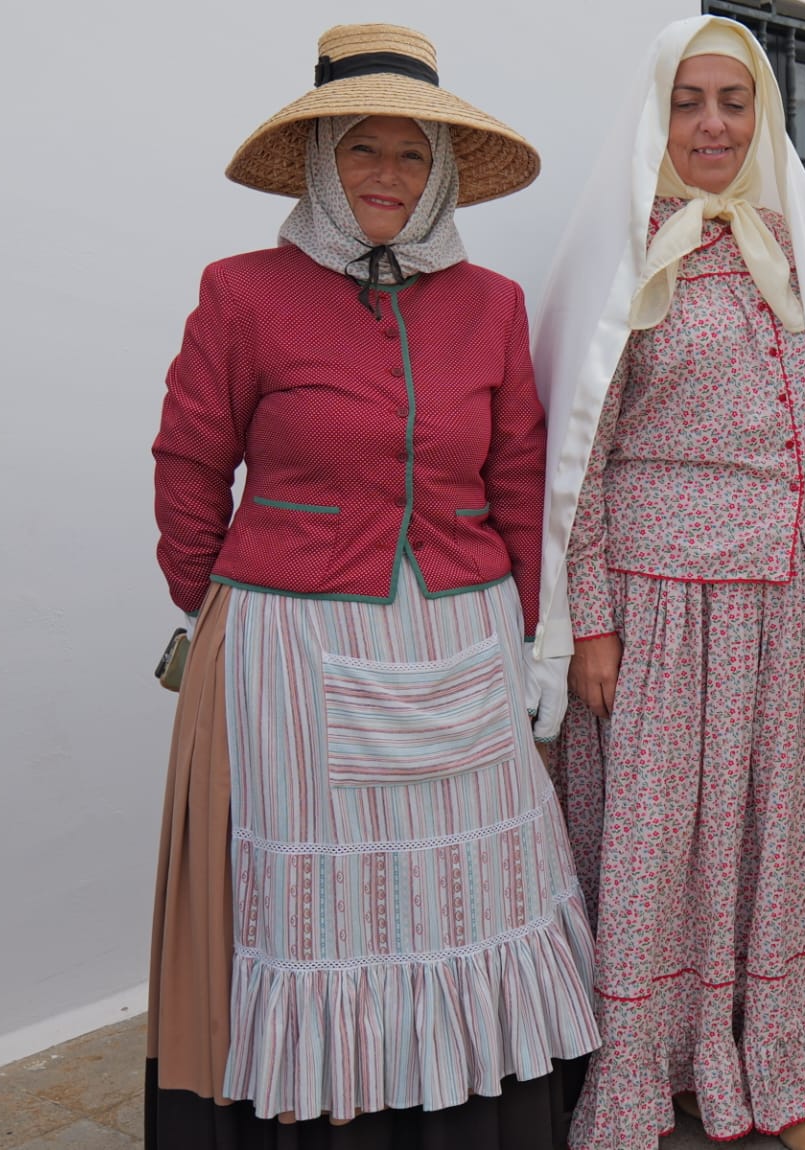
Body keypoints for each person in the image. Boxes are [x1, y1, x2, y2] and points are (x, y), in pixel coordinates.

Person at [146, 24, 598, 1147]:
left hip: (463, 633)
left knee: (467, 884)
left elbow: (518, 476)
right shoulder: (242, 293)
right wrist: (217, 603)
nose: (388, 178)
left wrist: (541, 635)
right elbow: (190, 462)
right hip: (295, 648)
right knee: (323, 903)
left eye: (412, 156)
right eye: (363, 151)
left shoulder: (489, 303)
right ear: (319, 163)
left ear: (442, 172)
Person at [532, 17, 805, 1149]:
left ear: (761, 118)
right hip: (667, 606)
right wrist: (593, 623)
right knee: (671, 845)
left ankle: (779, 1055)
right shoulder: (624, 251)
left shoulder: (790, 243)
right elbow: (580, 458)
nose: (713, 124)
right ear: (656, 116)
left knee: (781, 834)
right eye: (689, 101)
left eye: (735, 102)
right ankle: (658, 1064)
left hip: (796, 600)